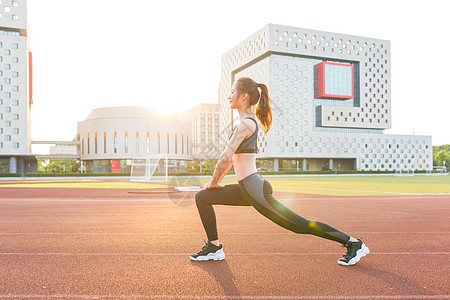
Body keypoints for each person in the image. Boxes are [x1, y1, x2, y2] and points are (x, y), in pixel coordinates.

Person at [190, 77, 369, 266]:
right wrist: (215, 184)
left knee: (299, 225)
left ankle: (353, 243)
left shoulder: (246, 124)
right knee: (203, 197)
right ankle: (214, 247)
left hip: (254, 189)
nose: (229, 96)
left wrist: (214, 182)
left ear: (243, 96)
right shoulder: (244, 123)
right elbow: (230, 160)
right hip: (246, 188)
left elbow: (225, 157)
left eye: (232, 91)